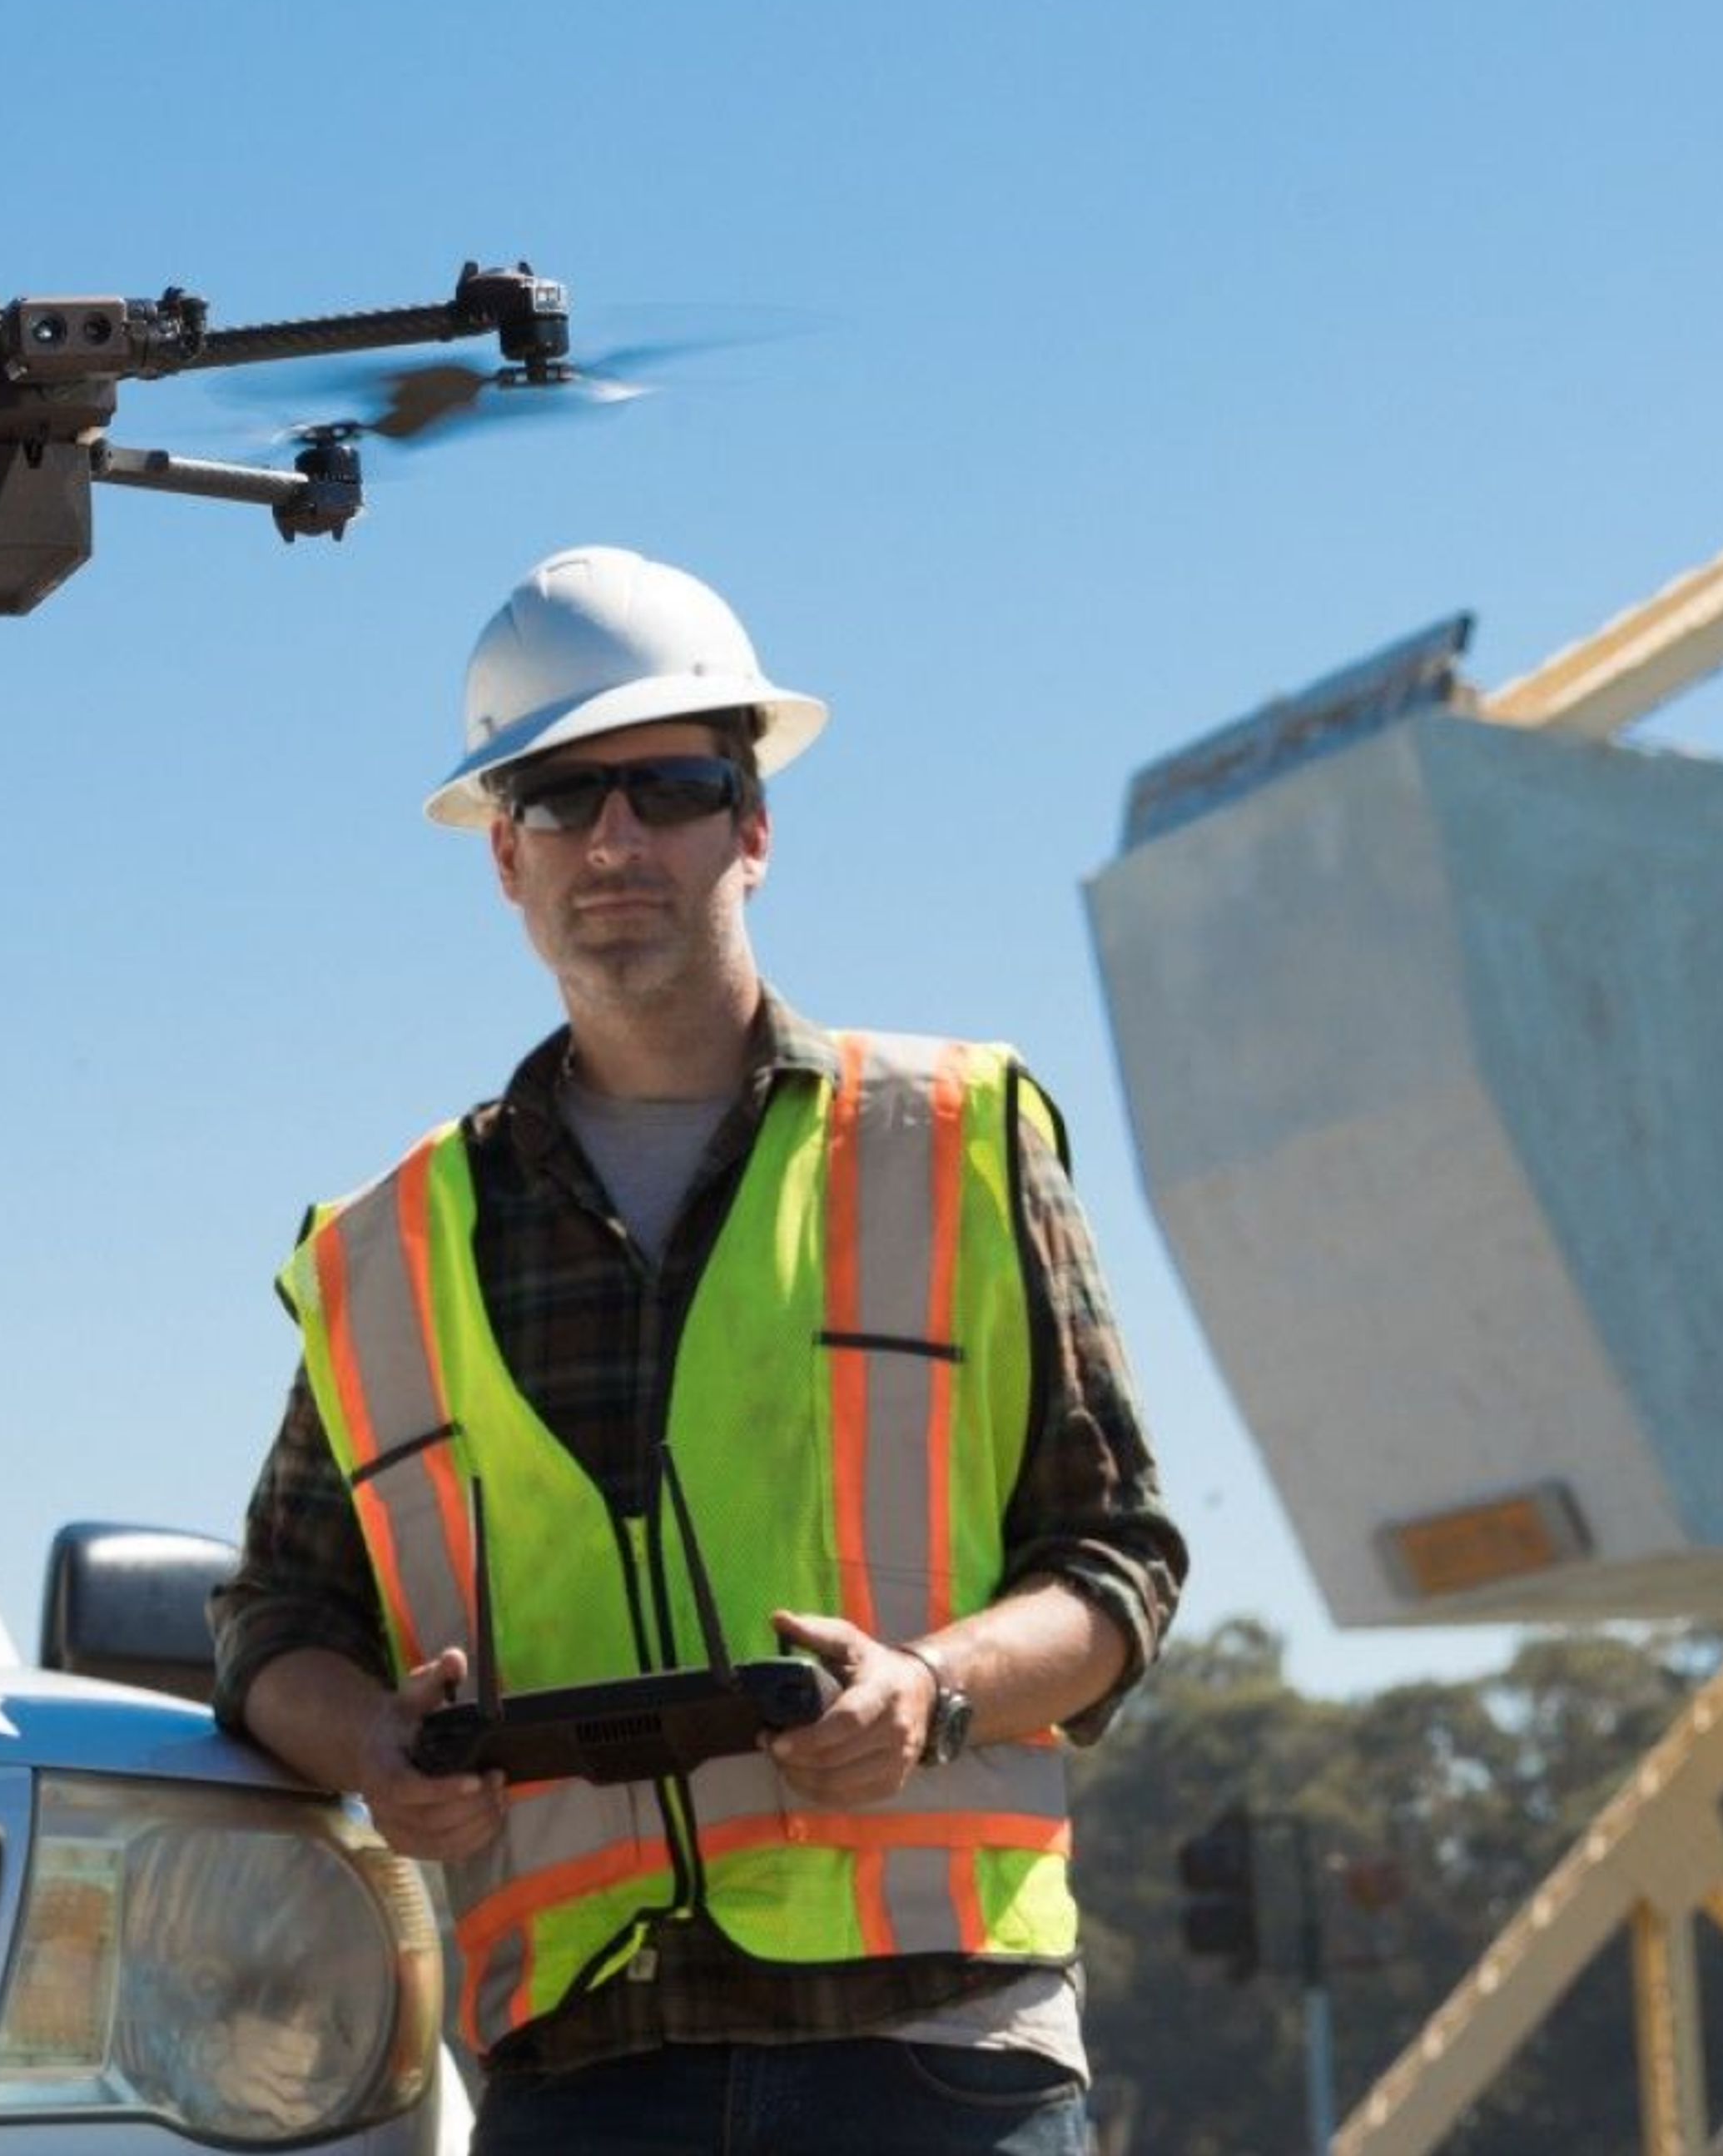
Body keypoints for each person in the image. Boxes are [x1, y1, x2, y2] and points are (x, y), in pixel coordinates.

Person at [211, 546, 1184, 2155]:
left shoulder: (952, 1143)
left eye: (665, 786)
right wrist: (373, 1746)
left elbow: (1117, 1561)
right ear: (501, 859)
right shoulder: (382, 1252)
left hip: (937, 2056)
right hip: (582, 2071)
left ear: (753, 826)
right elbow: (273, 1622)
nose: (613, 839)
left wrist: (929, 1691)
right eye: (557, 796)